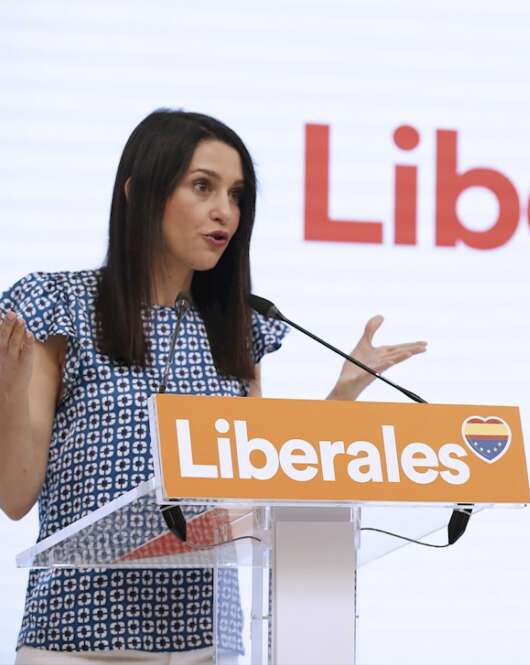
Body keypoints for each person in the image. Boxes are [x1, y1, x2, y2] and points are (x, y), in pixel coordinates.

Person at [0, 109, 427, 664]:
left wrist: (342, 397)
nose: (225, 211)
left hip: (208, 642)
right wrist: (9, 393)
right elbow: (14, 498)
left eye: (237, 194)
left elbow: (261, 479)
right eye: (203, 186)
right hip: (79, 639)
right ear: (139, 192)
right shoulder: (61, 306)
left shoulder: (238, 326)